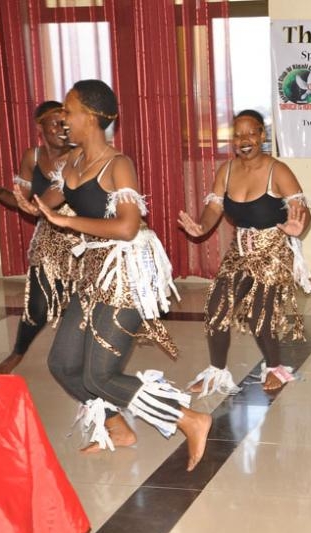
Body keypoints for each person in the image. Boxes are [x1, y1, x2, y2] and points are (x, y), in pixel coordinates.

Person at [17, 80, 211, 470]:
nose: (63, 118)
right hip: (92, 271)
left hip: (126, 270)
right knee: (63, 364)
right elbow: (43, 203)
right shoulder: (71, 163)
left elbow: (126, 226)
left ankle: (189, 419)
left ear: (89, 117)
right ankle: (118, 428)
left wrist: (65, 222)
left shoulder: (117, 164)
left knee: (100, 374)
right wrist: (18, 196)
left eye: (69, 111)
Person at [177, 109, 311, 395]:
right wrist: (201, 227)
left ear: (262, 135)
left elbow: (302, 210)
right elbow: (215, 208)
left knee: (259, 316)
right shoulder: (226, 171)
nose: (244, 140)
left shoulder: (278, 170)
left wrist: (300, 226)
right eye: (237, 135)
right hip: (239, 251)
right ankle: (216, 373)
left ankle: (275, 367)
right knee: (216, 309)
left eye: (251, 133)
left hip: (273, 251)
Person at [0, 100, 78, 374]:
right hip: (48, 239)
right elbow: (24, 201)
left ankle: (81, 355)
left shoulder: (80, 155)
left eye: (64, 121)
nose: (61, 127)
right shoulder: (32, 156)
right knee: (37, 305)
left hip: (82, 236)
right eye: (55, 122)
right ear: (39, 126)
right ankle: (18, 352)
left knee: (83, 304)